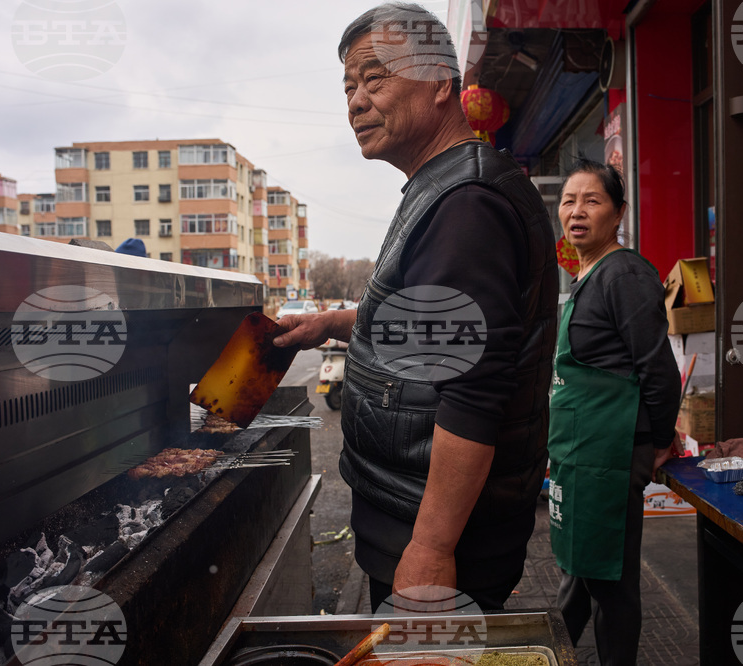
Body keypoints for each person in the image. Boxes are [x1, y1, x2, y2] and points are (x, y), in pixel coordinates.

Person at [273, 2, 558, 611]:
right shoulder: (442, 187)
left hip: (438, 536)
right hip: (412, 513)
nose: (356, 102)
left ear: (439, 83)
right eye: (348, 87)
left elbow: (473, 390)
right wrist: (334, 324)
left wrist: (430, 547)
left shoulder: (465, 204)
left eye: (374, 78)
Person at [548, 159, 681, 665]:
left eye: (592, 200)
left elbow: (658, 369)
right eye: (569, 201)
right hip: (581, 452)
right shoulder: (587, 273)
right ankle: (548, 650)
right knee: (581, 569)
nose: (577, 211)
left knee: (610, 581)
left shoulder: (623, 272)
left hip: (610, 453)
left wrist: (658, 440)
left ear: (619, 212)